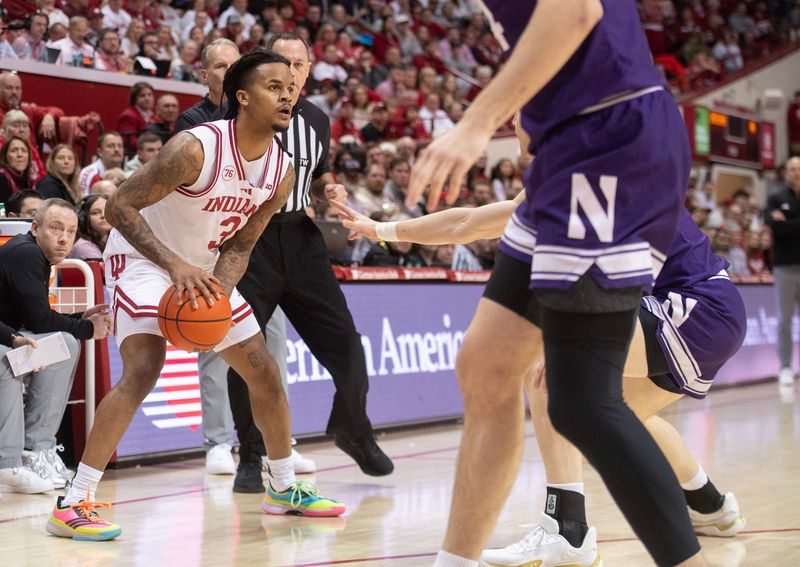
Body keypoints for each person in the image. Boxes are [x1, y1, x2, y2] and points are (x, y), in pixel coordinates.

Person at [405, 2, 704, 566]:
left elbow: (574, 10)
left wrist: (473, 126)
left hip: (609, 139)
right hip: (571, 147)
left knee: (583, 402)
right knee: (487, 364)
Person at [337, 166, 747, 565]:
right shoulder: (571, 175)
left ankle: (566, 529)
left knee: (542, 358)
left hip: (693, 307)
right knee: (623, 413)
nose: (521, 125)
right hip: (712, 309)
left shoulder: (584, 173)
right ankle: (710, 506)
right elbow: (468, 224)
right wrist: (382, 230)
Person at [46, 50, 344, 543]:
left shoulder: (282, 172)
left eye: (291, 86)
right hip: (142, 259)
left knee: (264, 372)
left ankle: (284, 486)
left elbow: (242, 243)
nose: (288, 93)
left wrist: (218, 297)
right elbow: (120, 206)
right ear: (242, 97)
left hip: (202, 268)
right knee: (144, 369)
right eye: (274, 86)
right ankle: (75, 500)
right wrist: (173, 266)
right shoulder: (195, 149)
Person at [225, 32, 395, 492]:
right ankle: (251, 455)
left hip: (301, 236)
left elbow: (317, 175)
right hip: (249, 240)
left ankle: (353, 429)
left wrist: (329, 189)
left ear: (309, 70)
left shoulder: (317, 119)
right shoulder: (238, 114)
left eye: (300, 65)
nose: (293, 74)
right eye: (284, 64)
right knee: (246, 354)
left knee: (348, 343)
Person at [174, 37, 314, 478]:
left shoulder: (279, 159)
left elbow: (243, 234)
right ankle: (218, 441)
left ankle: (280, 455)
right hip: (186, 253)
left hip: (246, 251)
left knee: (269, 357)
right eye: (218, 65)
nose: (285, 93)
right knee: (206, 348)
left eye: (290, 84)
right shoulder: (195, 129)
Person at [0, 198, 113, 494]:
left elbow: (33, 317)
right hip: (3, 340)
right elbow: (38, 319)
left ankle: (38, 450)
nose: (64, 238)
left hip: (7, 333)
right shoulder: (25, 254)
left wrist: (78, 319)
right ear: (35, 228)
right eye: (55, 228)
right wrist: (88, 328)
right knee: (7, 358)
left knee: (64, 343)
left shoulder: (36, 255)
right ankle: (8, 463)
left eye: (71, 231)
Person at [765, 156, 800, 388]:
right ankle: (786, 367)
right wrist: (785, 224)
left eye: (799, 169)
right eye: (792, 169)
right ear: (785, 173)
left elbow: (783, 226)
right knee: (784, 321)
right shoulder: (776, 198)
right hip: (785, 267)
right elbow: (774, 226)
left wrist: (788, 222)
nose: (796, 172)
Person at [78, 131, 125, 196]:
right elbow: (82, 202)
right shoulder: (88, 173)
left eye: (120, 146)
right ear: (99, 152)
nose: (117, 149)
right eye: (111, 146)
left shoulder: (124, 173)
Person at [116, 82, 155, 155]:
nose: (147, 98)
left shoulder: (153, 116)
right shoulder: (128, 116)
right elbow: (130, 142)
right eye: (142, 96)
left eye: (149, 95)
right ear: (134, 99)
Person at [69, 194, 111, 260]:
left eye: (107, 211)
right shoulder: (84, 247)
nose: (103, 215)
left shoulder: (114, 242)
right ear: (83, 219)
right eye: (95, 213)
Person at [0, 136, 36, 205]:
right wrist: (2, 215)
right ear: (5, 156)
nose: (20, 155)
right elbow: (0, 205)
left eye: (24, 151)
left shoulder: (29, 181)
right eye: (14, 150)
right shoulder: (2, 178)